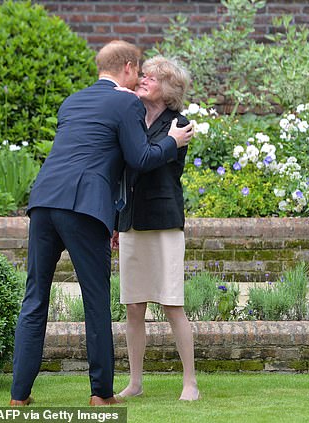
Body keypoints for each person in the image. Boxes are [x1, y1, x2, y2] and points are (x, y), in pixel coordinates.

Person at [10, 40, 195, 407]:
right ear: (127, 66)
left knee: (34, 300)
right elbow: (140, 157)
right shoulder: (125, 102)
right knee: (96, 301)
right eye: (138, 70)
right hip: (83, 207)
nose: (140, 77)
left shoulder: (72, 101)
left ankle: (19, 396)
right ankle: (101, 394)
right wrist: (172, 142)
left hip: (43, 201)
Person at [115, 56, 199, 401]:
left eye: (154, 77)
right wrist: (115, 222)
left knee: (172, 303)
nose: (144, 78)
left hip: (164, 223)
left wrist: (167, 142)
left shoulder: (180, 124)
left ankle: (190, 383)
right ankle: (135, 383)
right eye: (144, 75)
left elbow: (147, 159)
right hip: (131, 221)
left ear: (170, 89)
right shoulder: (131, 118)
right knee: (134, 306)